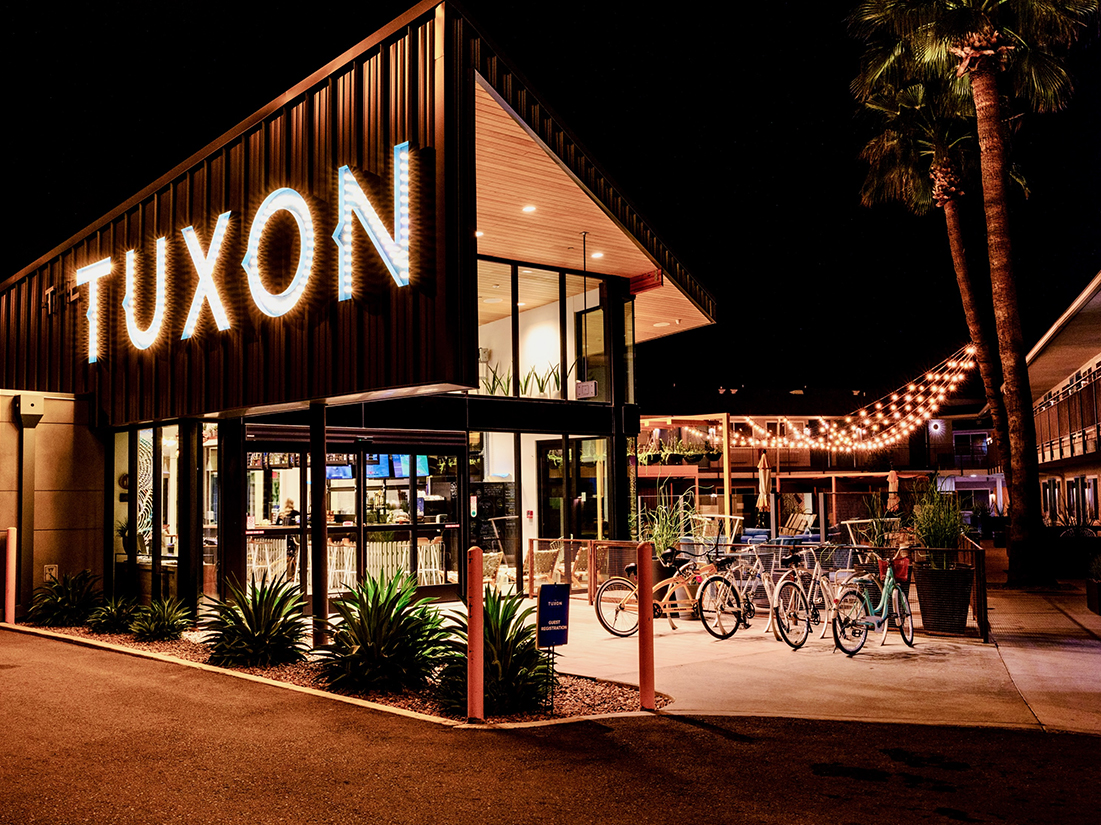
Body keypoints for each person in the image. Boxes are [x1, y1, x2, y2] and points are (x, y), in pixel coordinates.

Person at [278, 499, 300, 576]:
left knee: (289, 555)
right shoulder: (296, 513)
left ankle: (287, 574)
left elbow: (277, 524)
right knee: (294, 555)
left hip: (286, 537)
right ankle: (293, 573)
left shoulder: (282, 514)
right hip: (294, 536)